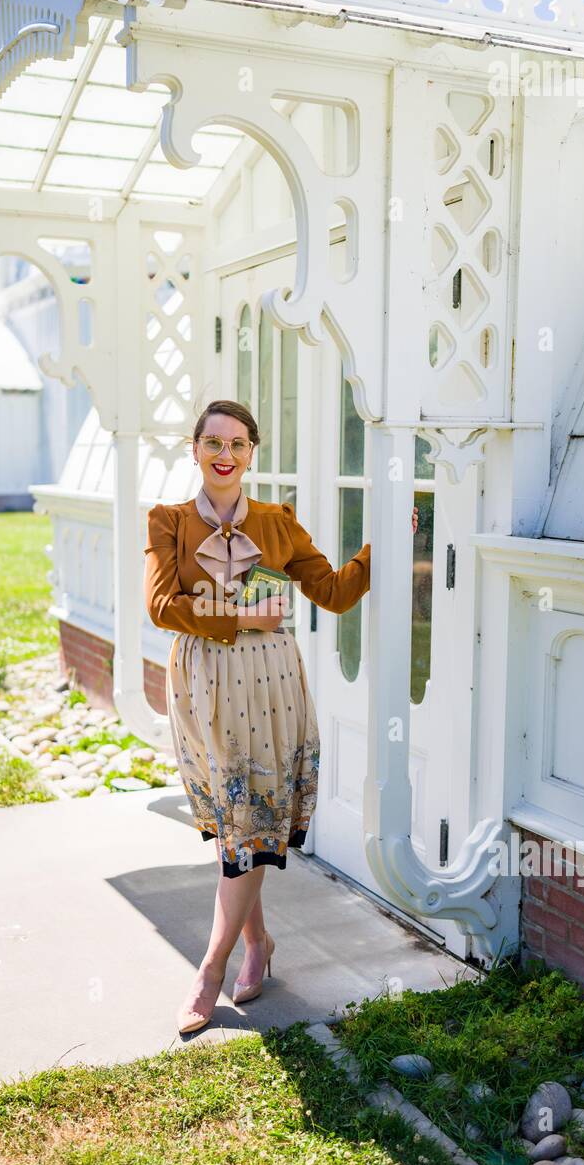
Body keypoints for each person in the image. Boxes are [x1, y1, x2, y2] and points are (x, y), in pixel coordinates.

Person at [143, 398, 417, 1035]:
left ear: (251, 454)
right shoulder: (168, 521)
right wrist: (239, 616)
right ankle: (258, 946)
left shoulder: (277, 523)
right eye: (212, 441)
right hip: (203, 684)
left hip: (268, 685)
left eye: (237, 444)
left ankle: (210, 968)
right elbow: (162, 605)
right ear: (194, 450)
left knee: (252, 822)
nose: (224, 454)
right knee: (232, 824)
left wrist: (384, 547)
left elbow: (335, 592)